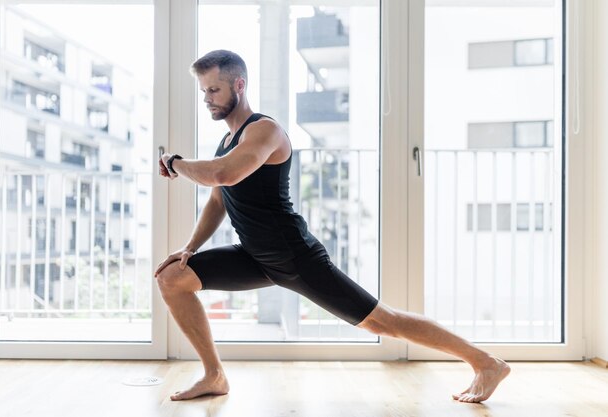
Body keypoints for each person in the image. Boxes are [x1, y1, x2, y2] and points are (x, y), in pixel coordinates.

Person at [154, 49, 510, 403]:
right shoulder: (226, 142)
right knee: (172, 277)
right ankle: (214, 375)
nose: (207, 99)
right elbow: (219, 197)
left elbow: (222, 173)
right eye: (203, 92)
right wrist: (191, 247)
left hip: (294, 256)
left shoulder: (264, 131)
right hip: (255, 257)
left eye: (214, 90)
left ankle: (486, 363)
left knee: (382, 321)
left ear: (239, 85)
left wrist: (175, 162)